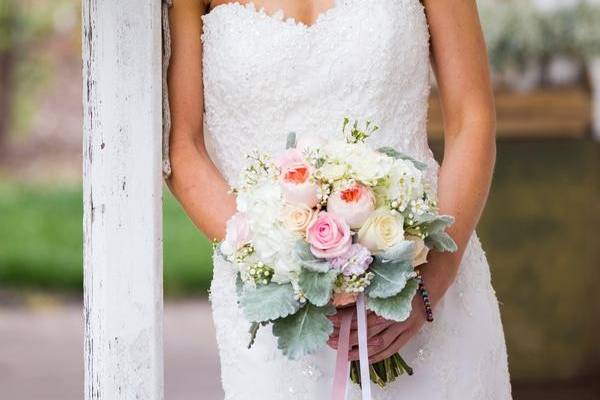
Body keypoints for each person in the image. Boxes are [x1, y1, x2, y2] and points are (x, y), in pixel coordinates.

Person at [166, 0, 512, 398]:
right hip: (274, 306)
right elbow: (183, 149)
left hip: (422, 274)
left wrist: (428, 287)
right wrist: (279, 265)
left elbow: (472, 118)